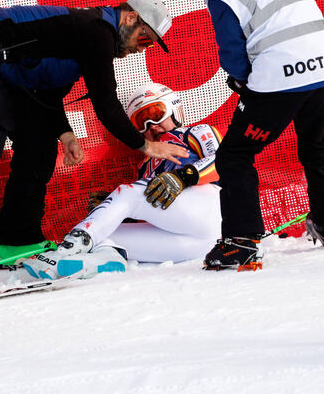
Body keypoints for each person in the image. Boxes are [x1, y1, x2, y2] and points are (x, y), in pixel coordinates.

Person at [0, 0, 190, 287]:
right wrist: (146, 145)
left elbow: (44, 95)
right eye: (144, 39)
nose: (142, 49)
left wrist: (66, 134)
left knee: (39, 147)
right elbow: (105, 102)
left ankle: (17, 239)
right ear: (129, 17)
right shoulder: (97, 31)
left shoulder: (89, 34)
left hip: (3, 70)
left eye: (149, 45)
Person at [170, 0, 324, 271]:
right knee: (316, 145)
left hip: (280, 76)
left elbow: (233, 55)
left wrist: (243, 80)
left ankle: (240, 241)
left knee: (235, 156)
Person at [22, 82, 222, 278]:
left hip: (214, 212)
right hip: (195, 244)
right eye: (141, 122)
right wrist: (114, 212)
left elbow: (223, 163)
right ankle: (100, 261)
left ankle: (68, 247)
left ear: (174, 109)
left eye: (155, 114)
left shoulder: (196, 133)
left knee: (128, 193)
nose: (151, 126)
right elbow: (157, 215)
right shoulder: (146, 166)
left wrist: (181, 178)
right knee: (105, 236)